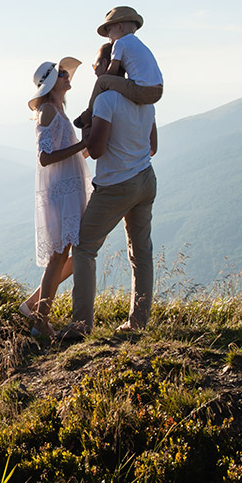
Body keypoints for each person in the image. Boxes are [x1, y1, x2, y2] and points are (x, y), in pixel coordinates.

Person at [60, 42, 158, 338]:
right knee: (141, 253)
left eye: (96, 65)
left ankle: (80, 326)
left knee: (85, 248)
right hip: (146, 179)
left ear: (110, 65)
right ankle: (138, 322)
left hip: (116, 184)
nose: (94, 70)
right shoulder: (146, 100)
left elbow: (98, 150)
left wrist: (87, 135)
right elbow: (152, 147)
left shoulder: (106, 100)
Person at [19, 57, 92, 337]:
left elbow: (72, 155)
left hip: (69, 188)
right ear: (51, 83)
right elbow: (45, 157)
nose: (67, 76)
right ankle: (39, 321)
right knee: (59, 255)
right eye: (62, 74)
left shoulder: (58, 108)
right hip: (60, 191)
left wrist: (92, 145)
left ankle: (32, 305)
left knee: (75, 251)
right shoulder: (48, 110)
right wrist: (83, 144)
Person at [74, 6, 163, 129]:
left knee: (102, 81)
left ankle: (89, 113)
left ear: (120, 27)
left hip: (141, 89)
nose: (109, 37)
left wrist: (105, 82)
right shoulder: (140, 44)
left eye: (109, 31)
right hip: (157, 91)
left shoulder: (120, 43)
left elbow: (113, 70)